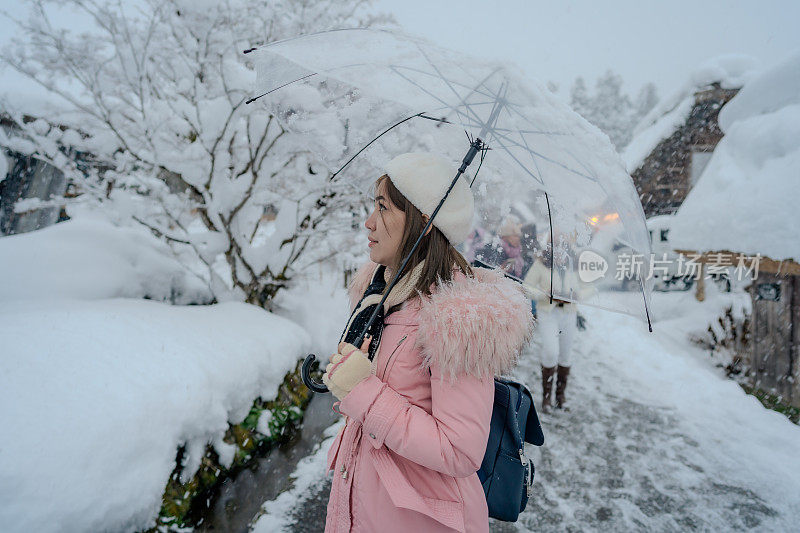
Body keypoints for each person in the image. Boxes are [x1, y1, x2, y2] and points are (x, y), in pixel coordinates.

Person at [322, 152, 534, 533]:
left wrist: (363, 391)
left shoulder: (456, 317)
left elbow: (459, 449)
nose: (369, 222)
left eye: (383, 208)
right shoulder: (383, 296)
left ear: (422, 220)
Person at [523, 237, 588, 413]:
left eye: (564, 250)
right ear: (550, 250)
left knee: (566, 354)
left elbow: (590, 287)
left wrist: (578, 296)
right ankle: (546, 399)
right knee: (551, 352)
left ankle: (560, 397)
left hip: (569, 313)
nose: (560, 254)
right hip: (548, 313)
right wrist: (547, 294)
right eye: (557, 250)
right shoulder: (541, 265)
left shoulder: (574, 266)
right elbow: (527, 287)